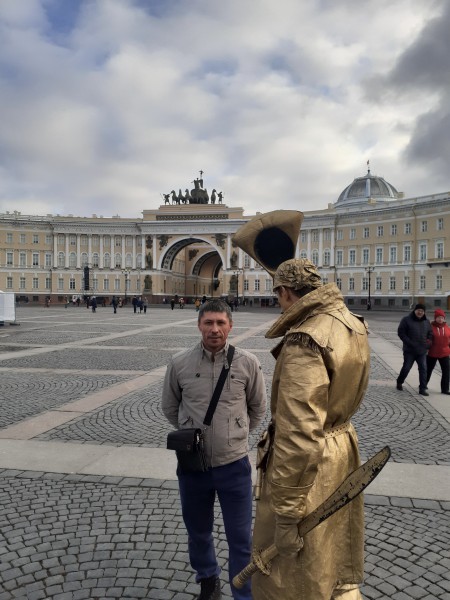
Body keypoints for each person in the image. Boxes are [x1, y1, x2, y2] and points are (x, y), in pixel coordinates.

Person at [251, 259, 370, 600]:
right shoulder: (351, 323)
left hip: (311, 468)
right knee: (334, 558)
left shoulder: (305, 338)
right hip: (341, 451)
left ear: (286, 292)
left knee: (296, 575)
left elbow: (299, 433)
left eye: (278, 296)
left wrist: (287, 516)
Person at [162, 299, 267, 600]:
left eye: (221, 323)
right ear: (199, 325)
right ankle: (208, 581)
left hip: (234, 466)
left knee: (240, 538)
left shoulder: (247, 362)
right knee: (198, 532)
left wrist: (235, 434)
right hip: (193, 466)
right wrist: (192, 433)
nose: (214, 329)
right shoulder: (180, 363)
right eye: (208, 322)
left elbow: (258, 408)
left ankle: (242, 593)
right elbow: (170, 406)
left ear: (230, 326)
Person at [397, 303, 433, 396]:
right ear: (415, 310)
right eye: (418, 310)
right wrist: (409, 342)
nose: (420, 312)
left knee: (423, 369)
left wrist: (428, 343)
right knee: (406, 368)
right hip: (410, 350)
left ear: (424, 312)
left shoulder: (426, 321)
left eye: (422, 311)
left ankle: (422, 388)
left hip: (422, 351)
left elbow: (430, 334)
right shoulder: (406, 320)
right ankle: (400, 381)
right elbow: (401, 333)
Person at [426, 308, 450, 395]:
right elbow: (427, 339)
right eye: (438, 317)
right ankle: (423, 385)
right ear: (435, 318)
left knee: (446, 371)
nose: (440, 319)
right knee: (428, 370)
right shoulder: (430, 327)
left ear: (444, 318)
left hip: (445, 353)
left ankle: (445, 389)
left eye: (442, 317)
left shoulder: (447, 328)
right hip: (432, 352)